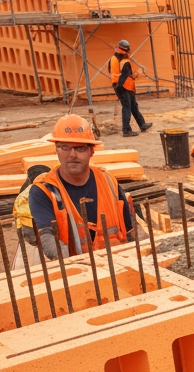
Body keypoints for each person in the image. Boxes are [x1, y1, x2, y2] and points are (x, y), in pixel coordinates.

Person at [30, 114, 136, 261]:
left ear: (91, 151)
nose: (72, 155)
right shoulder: (45, 190)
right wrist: (75, 267)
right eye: (65, 148)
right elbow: (47, 237)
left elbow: (131, 231)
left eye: (79, 149)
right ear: (56, 150)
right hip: (74, 271)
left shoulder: (108, 181)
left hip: (117, 264)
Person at [111, 39, 152, 138]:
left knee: (133, 106)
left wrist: (133, 76)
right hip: (124, 87)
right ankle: (126, 130)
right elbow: (124, 75)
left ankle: (142, 124)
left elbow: (121, 74)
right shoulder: (124, 61)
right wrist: (120, 86)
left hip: (121, 86)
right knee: (127, 108)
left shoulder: (113, 58)